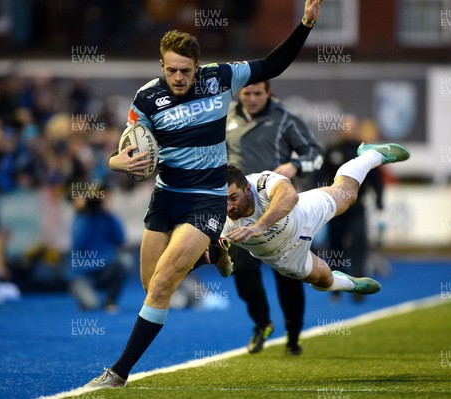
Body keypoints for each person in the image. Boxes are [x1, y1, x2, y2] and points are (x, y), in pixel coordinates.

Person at [84, 0, 324, 389]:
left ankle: (119, 372)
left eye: (185, 71)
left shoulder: (220, 78)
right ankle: (212, 253)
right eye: (171, 70)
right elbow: (122, 153)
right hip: (166, 197)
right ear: (161, 66)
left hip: (207, 200)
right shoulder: (146, 99)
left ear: (197, 67)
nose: (178, 78)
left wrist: (305, 25)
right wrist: (117, 165)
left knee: (162, 285)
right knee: (151, 285)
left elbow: (271, 65)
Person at [218, 143, 410, 307]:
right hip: (284, 256)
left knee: (347, 195)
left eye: (233, 198)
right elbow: (211, 251)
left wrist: (259, 227)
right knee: (324, 280)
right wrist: (222, 260)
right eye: (223, 201)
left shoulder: (261, 181)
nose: (229, 207)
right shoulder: (216, 215)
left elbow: (289, 196)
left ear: (247, 189)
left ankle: (372, 155)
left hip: (303, 214)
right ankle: (350, 284)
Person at [226, 80, 324, 355]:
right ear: (240, 93)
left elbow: (315, 155)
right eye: (247, 93)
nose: (252, 98)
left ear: (268, 93)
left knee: (290, 275)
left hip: (278, 209)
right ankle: (262, 324)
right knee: (242, 270)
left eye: (258, 93)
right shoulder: (225, 118)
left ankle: (293, 335)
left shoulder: (285, 119)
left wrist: (295, 165)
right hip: (240, 209)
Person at [320, 115, 384, 303]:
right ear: (341, 128)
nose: (349, 129)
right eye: (346, 126)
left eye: (352, 126)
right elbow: (320, 174)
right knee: (336, 247)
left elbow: (375, 178)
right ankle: (336, 288)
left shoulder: (363, 151)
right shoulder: (331, 150)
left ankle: (358, 288)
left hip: (358, 208)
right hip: (336, 209)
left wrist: (380, 199)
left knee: (358, 247)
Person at [68, 192, 128, 314]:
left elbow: (120, 239)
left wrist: (108, 213)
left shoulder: (106, 218)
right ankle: (85, 296)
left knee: (125, 261)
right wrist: (84, 213)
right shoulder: (80, 219)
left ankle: (110, 301)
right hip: (83, 275)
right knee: (91, 306)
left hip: (104, 270)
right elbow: (79, 242)